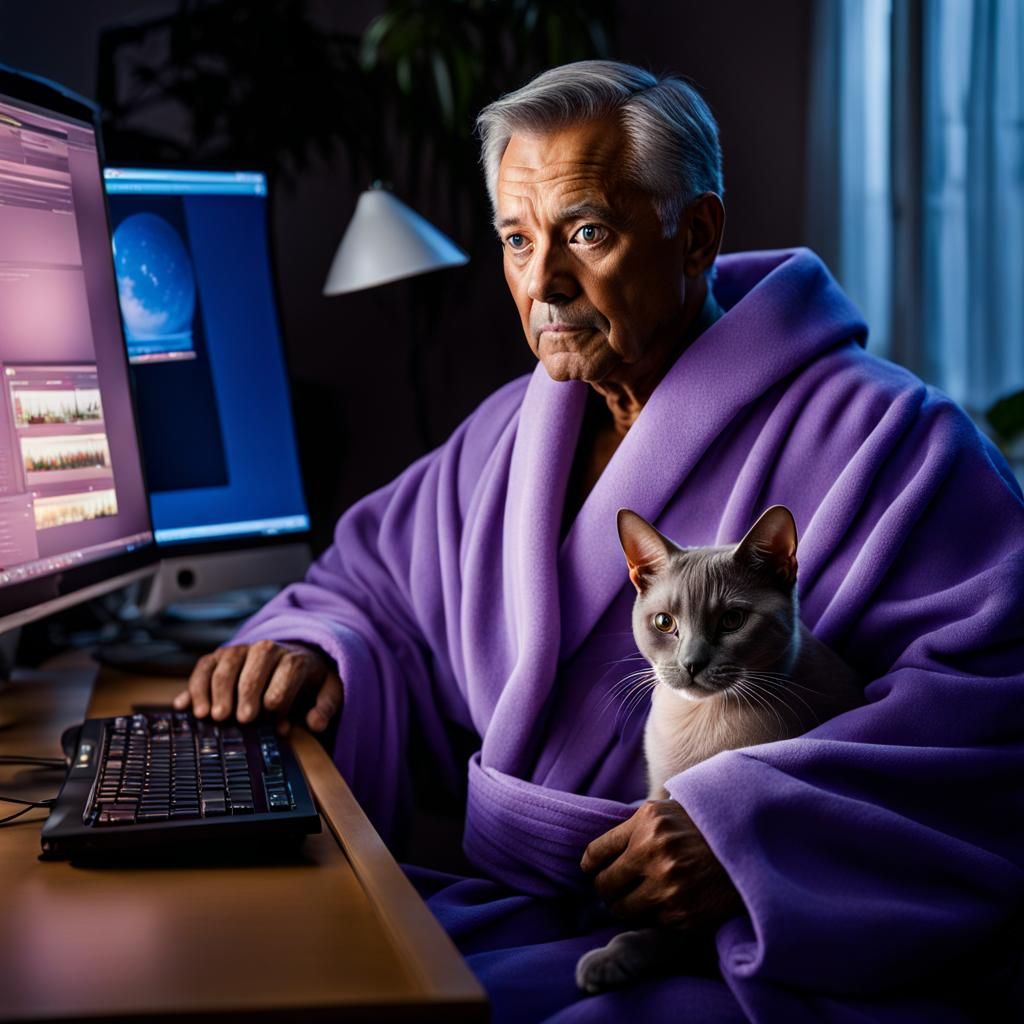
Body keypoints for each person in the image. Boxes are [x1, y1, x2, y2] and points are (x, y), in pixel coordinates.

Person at [174, 61, 1024, 1022]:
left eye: (586, 232)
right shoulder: (507, 433)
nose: (544, 283)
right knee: (234, 969)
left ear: (695, 233)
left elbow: (994, 711)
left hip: (749, 945)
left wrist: (752, 837)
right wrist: (314, 649)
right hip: (502, 905)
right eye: (516, 239)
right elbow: (370, 590)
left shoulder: (895, 440)